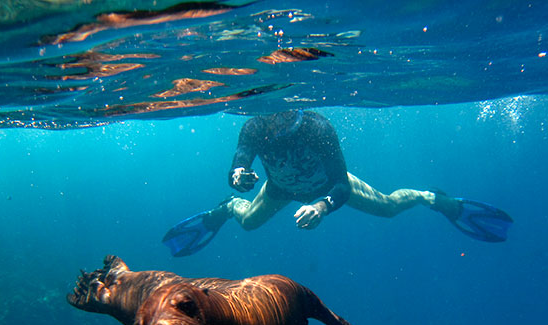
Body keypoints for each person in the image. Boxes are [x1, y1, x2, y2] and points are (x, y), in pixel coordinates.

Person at [162, 110, 512, 257]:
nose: (277, 121)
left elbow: (342, 186)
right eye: (272, 115)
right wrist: (237, 176)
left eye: (284, 114)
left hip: (326, 188)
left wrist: (321, 206)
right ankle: (227, 207)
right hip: (280, 189)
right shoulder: (254, 125)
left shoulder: (317, 127)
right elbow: (240, 158)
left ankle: (429, 197)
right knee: (249, 222)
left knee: (388, 207)